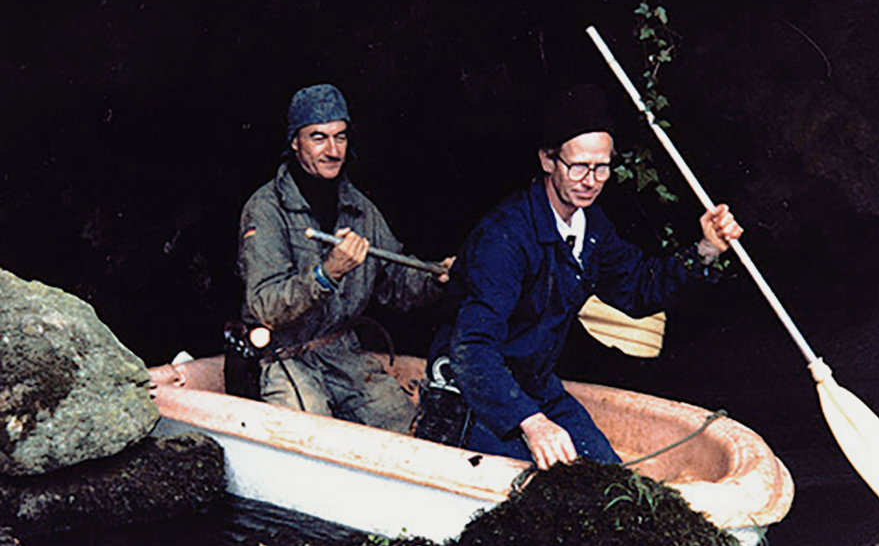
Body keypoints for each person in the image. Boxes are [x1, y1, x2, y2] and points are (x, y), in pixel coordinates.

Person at [423, 83, 742, 469]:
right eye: (577, 166)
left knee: (608, 477)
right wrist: (534, 424)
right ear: (547, 160)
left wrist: (705, 249)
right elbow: (472, 347)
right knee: (555, 491)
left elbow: (639, 288)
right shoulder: (505, 238)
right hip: (472, 394)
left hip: (535, 385)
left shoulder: (592, 228)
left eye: (601, 167)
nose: (590, 181)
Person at [237, 83, 454, 433]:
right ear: (295, 142)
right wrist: (327, 273)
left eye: (340, 137)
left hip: (341, 352)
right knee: (312, 438)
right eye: (318, 137)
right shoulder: (265, 209)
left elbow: (396, 285)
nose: (332, 150)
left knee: (406, 427)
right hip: (286, 357)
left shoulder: (360, 210)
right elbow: (264, 305)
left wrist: (435, 278)